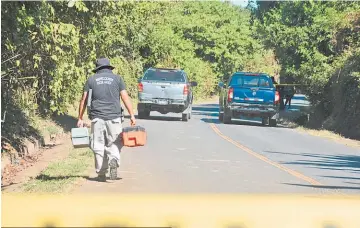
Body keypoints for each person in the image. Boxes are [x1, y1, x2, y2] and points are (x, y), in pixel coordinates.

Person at [77, 58, 136, 182]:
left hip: (97, 117)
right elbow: (125, 97)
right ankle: (113, 158)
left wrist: (80, 117)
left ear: (97, 69)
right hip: (114, 117)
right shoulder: (117, 79)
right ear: (109, 68)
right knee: (115, 142)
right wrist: (131, 115)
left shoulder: (91, 79)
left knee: (98, 144)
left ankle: (101, 172)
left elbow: (84, 99)